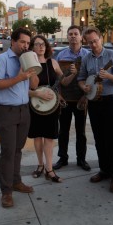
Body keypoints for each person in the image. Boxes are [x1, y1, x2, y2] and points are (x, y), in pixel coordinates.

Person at [0, 27, 39, 208]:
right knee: (8, 152)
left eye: (28, 43)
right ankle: (6, 192)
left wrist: (31, 70)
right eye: (23, 42)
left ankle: (16, 181)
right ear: (13, 41)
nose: (26, 46)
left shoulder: (27, 59)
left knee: (18, 149)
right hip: (6, 111)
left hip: (23, 110)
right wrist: (19, 77)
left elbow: (34, 84)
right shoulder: (1, 60)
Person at [77, 27, 113, 192]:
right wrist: (84, 87)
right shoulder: (86, 58)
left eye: (95, 41)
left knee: (111, 140)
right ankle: (104, 170)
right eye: (89, 42)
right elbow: (81, 79)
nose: (93, 45)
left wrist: (109, 76)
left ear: (101, 38)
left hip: (110, 101)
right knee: (98, 138)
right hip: (94, 103)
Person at [28, 35, 77, 183]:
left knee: (49, 137)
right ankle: (40, 165)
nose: (41, 47)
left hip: (52, 106)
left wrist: (72, 73)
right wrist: (37, 92)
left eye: (43, 44)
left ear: (46, 46)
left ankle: (49, 169)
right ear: (32, 48)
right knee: (37, 136)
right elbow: (25, 88)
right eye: (37, 44)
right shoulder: (29, 65)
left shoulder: (53, 63)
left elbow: (64, 82)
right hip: (35, 106)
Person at [53, 25, 91, 171]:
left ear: (81, 37)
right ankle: (63, 158)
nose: (73, 36)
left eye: (76, 34)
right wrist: (59, 94)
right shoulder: (61, 56)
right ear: (67, 37)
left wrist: (86, 96)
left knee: (81, 132)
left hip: (81, 99)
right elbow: (57, 78)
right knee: (63, 131)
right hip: (65, 100)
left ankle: (81, 159)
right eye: (70, 34)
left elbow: (91, 78)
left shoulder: (88, 55)